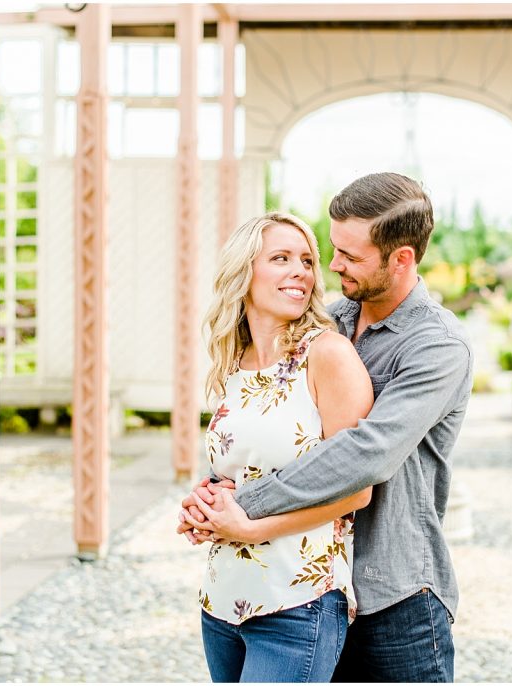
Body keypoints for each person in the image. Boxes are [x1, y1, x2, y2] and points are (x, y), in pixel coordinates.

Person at [179, 172, 474, 683]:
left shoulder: (437, 346)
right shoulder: (327, 321)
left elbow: (368, 453)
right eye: (332, 250)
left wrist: (243, 506)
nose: (331, 266)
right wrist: (211, 495)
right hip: (306, 582)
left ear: (401, 259)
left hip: (392, 595)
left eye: (350, 256)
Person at [183, 211, 375, 683]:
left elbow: (356, 493)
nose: (302, 271)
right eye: (281, 258)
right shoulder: (233, 362)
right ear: (244, 271)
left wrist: (250, 529)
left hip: (297, 603)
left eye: (307, 260)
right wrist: (201, 502)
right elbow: (236, 473)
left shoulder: (327, 354)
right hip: (222, 602)